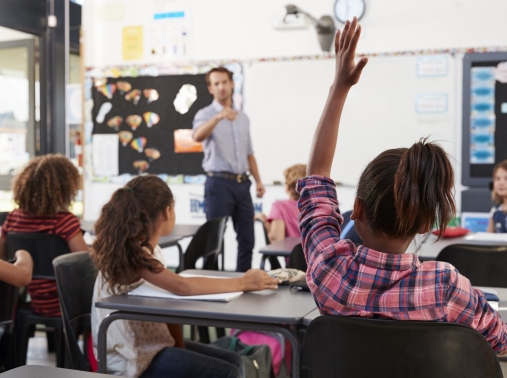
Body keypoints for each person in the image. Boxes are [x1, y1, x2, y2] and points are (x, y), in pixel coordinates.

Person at [298, 18, 507, 354]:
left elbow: (316, 179)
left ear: (359, 210)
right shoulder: (446, 287)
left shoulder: (329, 271)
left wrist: (340, 86)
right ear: (426, 223)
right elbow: (500, 341)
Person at [90, 175, 279, 378]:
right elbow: (182, 287)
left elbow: (170, 301)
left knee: (234, 361)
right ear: (167, 211)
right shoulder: (134, 254)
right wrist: (243, 282)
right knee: (228, 372)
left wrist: (179, 349)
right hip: (131, 361)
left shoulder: (151, 251)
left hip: (152, 346)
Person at [193, 67, 265, 272]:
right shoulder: (205, 114)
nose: (221, 87)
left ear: (232, 84)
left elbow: (249, 152)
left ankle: (243, 283)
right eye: (216, 84)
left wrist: (259, 181)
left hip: (242, 184)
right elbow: (197, 136)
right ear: (210, 88)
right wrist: (218, 117)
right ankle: (209, 284)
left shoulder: (243, 118)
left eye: (224, 82)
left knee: (247, 239)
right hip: (218, 183)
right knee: (213, 239)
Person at [0, 154, 88, 317]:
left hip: (27, 299)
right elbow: (84, 263)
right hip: (63, 301)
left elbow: (3, 255)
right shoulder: (65, 221)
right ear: (64, 189)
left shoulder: (13, 218)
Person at [255, 164, 306, 243]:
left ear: (288, 186)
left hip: (293, 254)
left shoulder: (280, 207)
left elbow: (277, 240)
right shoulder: (319, 206)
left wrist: (265, 221)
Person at [487, 159, 507, 233]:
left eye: (506, 178)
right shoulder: (495, 210)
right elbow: (488, 235)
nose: (501, 183)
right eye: (497, 179)